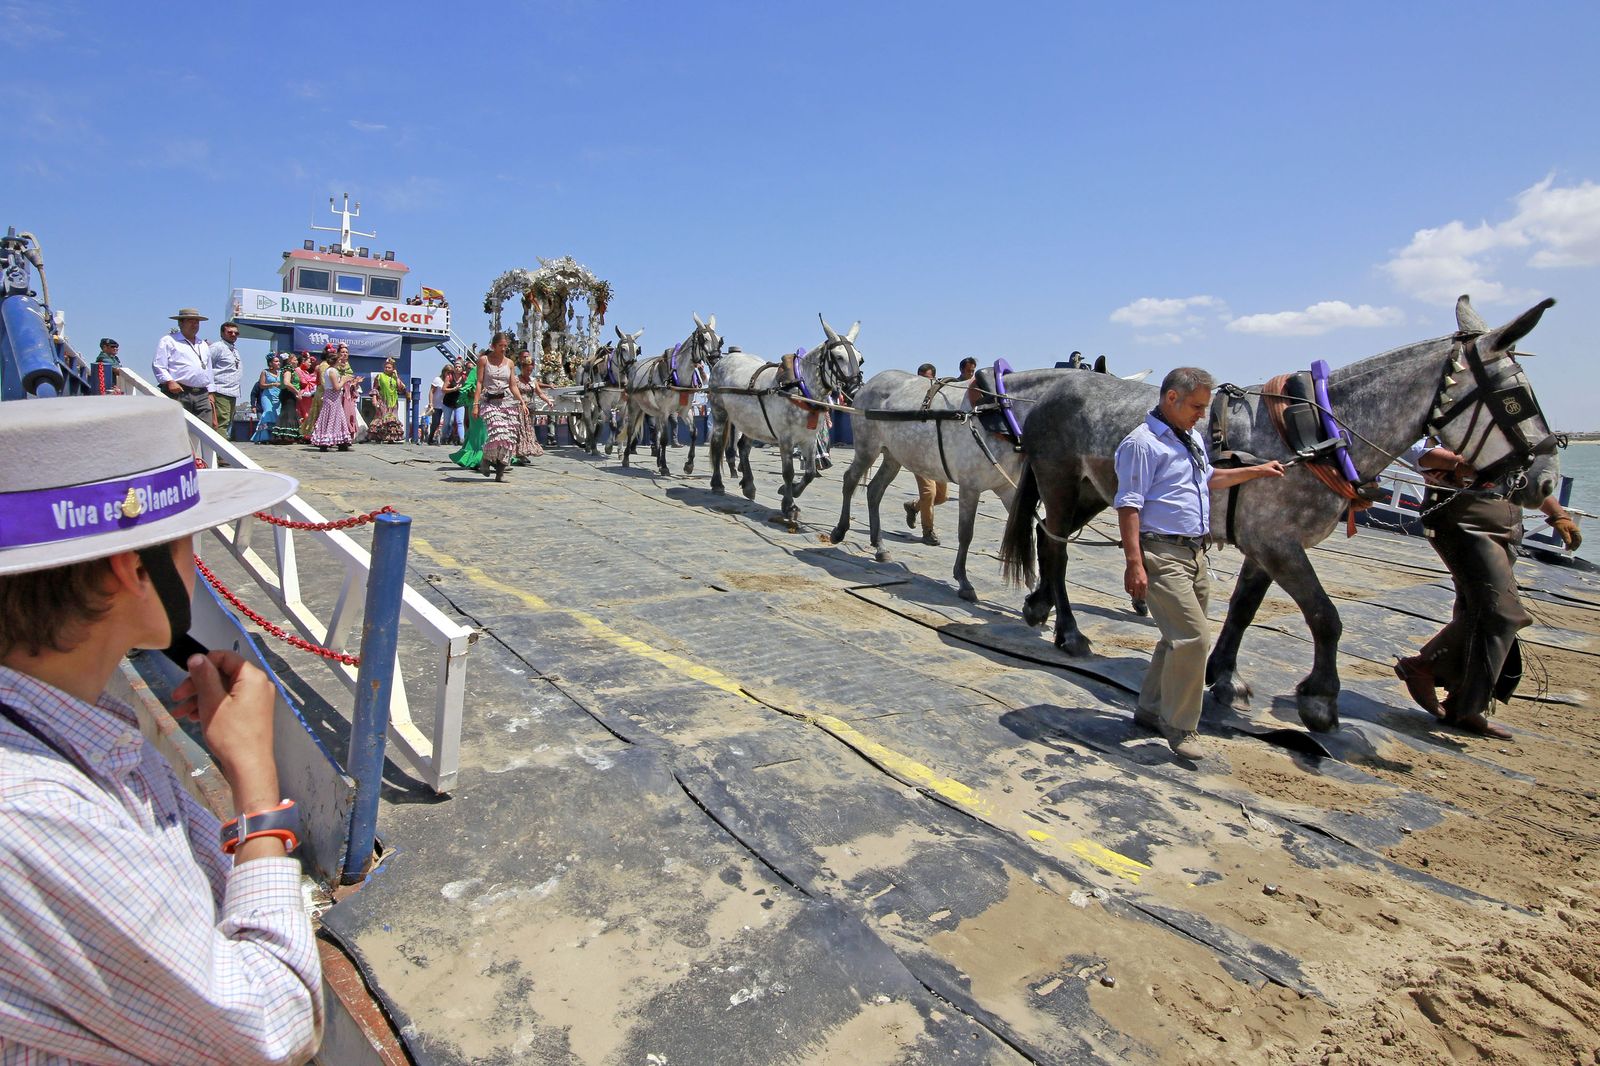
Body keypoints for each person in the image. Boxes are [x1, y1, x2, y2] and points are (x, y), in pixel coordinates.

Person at [0, 396, 322, 1063]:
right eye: (185, 538)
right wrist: (257, 791)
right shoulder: (39, 816)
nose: (194, 558)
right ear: (132, 567)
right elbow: (274, 1026)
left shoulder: (75, 726)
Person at [1115, 367, 1284, 762]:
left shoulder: (1188, 437)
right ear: (1171, 398)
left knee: (1176, 638)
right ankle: (1180, 726)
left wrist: (1256, 471)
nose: (1201, 416)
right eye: (1196, 406)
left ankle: (1151, 708)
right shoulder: (1142, 445)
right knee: (1194, 638)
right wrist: (1134, 563)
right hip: (1161, 554)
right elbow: (1129, 505)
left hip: (1194, 554)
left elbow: (1208, 478)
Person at [1393, 443, 1582, 739]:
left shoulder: (1509, 428)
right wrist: (1458, 463)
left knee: (1474, 608)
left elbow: (1523, 476)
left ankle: (1461, 706)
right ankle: (1425, 665)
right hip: (1461, 519)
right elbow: (1414, 450)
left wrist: (1557, 514)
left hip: (1504, 523)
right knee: (1503, 614)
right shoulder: (1454, 414)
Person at [903, 363, 951, 545]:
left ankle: (913, 506)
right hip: (919, 454)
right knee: (929, 493)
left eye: (926, 378)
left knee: (942, 497)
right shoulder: (910, 399)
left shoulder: (940, 398)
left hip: (938, 455)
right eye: (919, 377)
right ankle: (928, 532)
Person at [471, 332, 525, 481]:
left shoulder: (510, 363)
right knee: (496, 433)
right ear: (493, 346)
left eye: (505, 346)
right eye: (500, 346)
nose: (503, 349)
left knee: (508, 437)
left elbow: (513, 384)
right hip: (489, 402)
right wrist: (475, 405)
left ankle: (500, 472)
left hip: (507, 402)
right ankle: (486, 460)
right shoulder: (484, 360)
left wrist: (521, 401)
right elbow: (479, 383)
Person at [152, 308, 213, 422]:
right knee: (178, 426)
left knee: (206, 428)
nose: (194, 325)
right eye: (191, 321)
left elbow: (208, 369)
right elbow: (158, 365)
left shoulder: (203, 344)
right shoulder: (169, 340)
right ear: (180, 323)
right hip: (179, 392)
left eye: (197, 322)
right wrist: (170, 381)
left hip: (202, 393)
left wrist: (211, 391)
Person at [308, 350, 353, 452]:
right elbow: (336, 387)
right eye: (340, 359)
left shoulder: (332, 370)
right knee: (331, 419)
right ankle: (326, 442)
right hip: (332, 398)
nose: (342, 361)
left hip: (334, 399)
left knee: (338, 419)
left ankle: (341, 442)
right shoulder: (332, 371)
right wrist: (344, 380)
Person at [514, 353, 552, 463]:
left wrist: (548, 401)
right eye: (527, 370)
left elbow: (540, 393)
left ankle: (524, 453)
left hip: (529, 410)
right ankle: (519, 454)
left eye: (531, 371)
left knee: (528, 430)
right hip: (519, 408)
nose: (528, 373)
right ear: (522, 368)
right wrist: (521, 403)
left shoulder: (532, 381)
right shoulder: (516, 380)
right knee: (520, 431)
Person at [208, 321, 243, 437]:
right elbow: (207, 367)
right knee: (221, 422)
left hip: (232, 391)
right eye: (230, 332)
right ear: (222, 333)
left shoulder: (234, 350)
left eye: (236, 333)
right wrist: (210, 391)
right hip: (220, 391)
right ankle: (220, 453)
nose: (233, 335)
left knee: (227, 422)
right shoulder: (217, 347)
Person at [448, 361, 485, 471]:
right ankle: (478, 458)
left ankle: (489, 458)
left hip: (491, 405)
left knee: (485, 433)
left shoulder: (497, 369)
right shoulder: (476, 370)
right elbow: (469, 386)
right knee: (478, 433)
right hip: (476, 405)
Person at [368, 358, 408, 444]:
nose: (387, 369)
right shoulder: (380, 376)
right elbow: (375, 388)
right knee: (381, 417)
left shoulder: (395, 378)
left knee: (392, 419)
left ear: (393, 369)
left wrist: (396, 377)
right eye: (386, 367)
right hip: (383, 400)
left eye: (389, 367)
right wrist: (374, 398)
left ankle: (391, 437)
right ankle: (378, 436)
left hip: (393, 402)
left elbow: (402, 389)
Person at [249, 355, 281, 444]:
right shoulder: (265, 372)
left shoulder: (281, 372)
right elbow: (261, 385)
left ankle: (274, 436)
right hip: (267, 396)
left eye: (279, 361)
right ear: (271, 363)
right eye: (276, 361)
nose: (278, 363)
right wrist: (272, 384)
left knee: (277, 414)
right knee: (267, 413)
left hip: (278, 396)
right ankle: (262, 436)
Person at [272, 357, 302, 445]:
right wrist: (296, 391)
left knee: (289, 414)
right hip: (287, 394)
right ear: (290, 361)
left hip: (289, 394)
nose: (297, 361)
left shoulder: (291, 370)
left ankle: (287, 435)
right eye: (295, 360)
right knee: (288, 414)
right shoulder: (288, 370)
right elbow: (286, 382)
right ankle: (285, 436)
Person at [293, 351, 319, 439]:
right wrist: (313, 379)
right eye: (309, 362)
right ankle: (303, 434)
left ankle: (307, 434)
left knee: (308, 415)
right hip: (303, 395)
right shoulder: (298, 370)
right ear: (303, 361)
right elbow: (303, 382)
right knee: (304, 414)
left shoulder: (307, 372)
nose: (310, 364)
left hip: (308, 396)